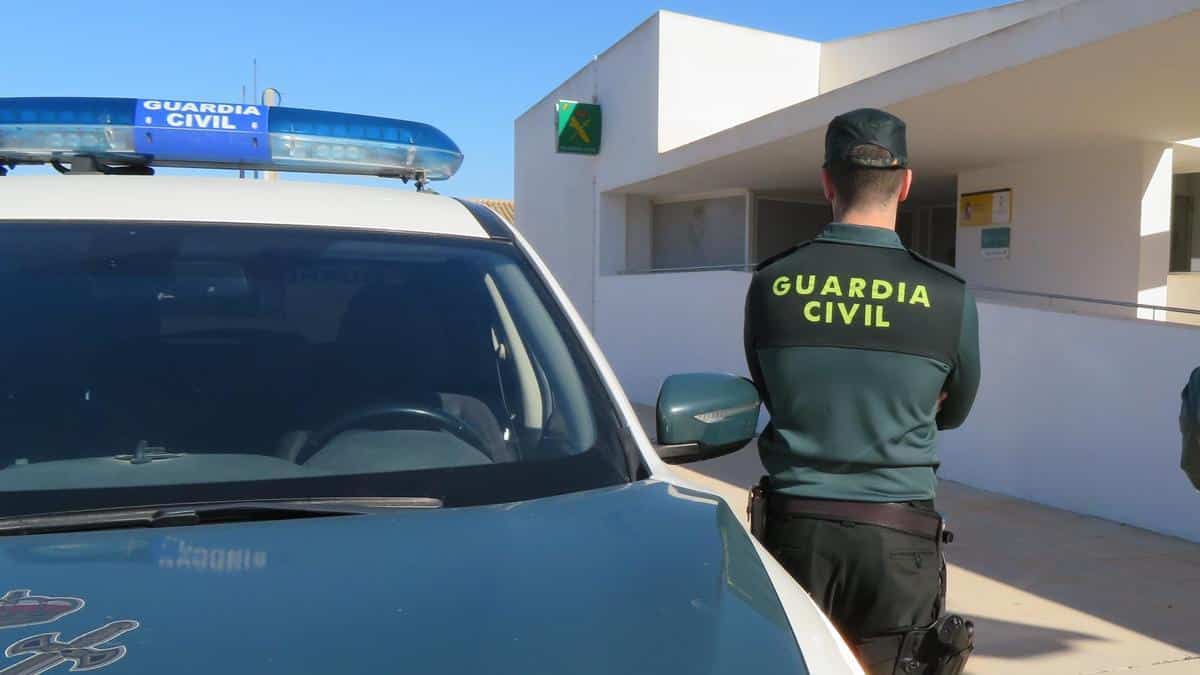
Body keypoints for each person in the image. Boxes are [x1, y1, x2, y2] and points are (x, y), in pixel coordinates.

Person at [743, 108, 981, 675]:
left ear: (827, 182)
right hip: (897, 543)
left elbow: (772, 391)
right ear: (905, 183)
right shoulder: (947, 295)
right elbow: (956, 410)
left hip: (795, 534)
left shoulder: (773, 283)